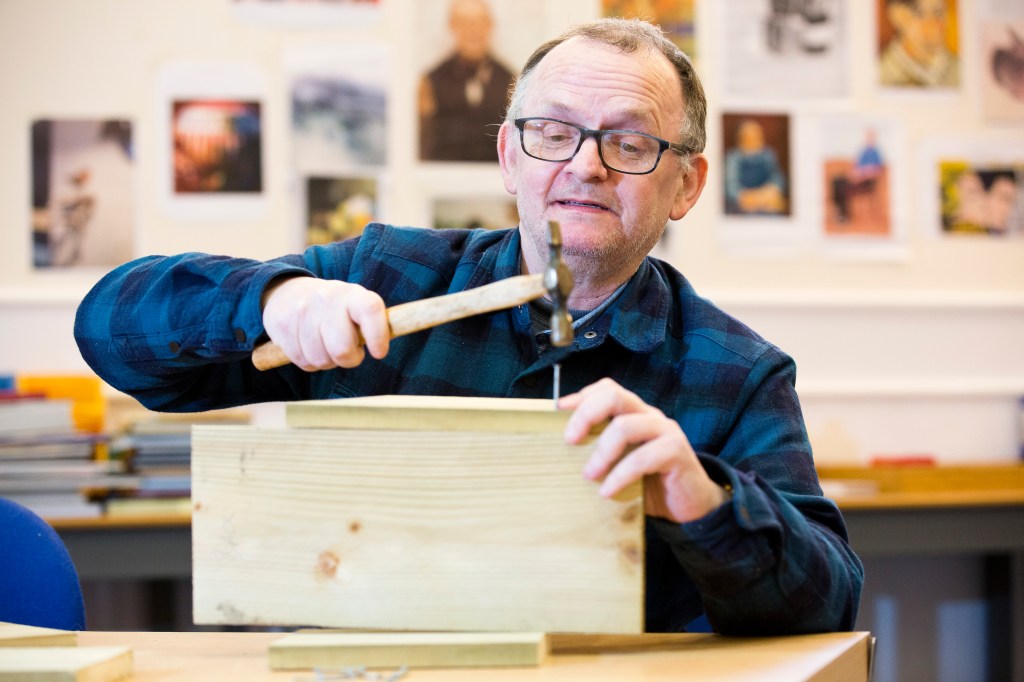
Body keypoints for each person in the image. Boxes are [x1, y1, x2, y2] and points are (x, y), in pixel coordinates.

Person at [75, 18, 863, 635]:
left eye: (628, 142)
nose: (584, 166)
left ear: (686, 184)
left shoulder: (738, 372)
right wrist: (272, 301)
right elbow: (111, 329)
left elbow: (827, 605)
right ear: (509, 157)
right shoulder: (380, 277)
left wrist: (704, 501)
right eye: (553, 133)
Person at [418, 0, 515, 162]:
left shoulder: (511, 80)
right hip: (443, 181)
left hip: (495, 181)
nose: (472, 30)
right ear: (452, 26)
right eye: (464, 23)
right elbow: (422, 145)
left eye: (479, 22)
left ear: (490, 26)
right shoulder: (430, 81)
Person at [879, 0, 959, 88]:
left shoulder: (961, 69)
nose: (936, 24)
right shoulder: (880, 73)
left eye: (939, 13)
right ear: (898, 16)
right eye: (920, 14)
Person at [723, 118, 787, 215]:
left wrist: (771, 190)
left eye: (756, 137)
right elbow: (730, 186)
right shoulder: (733, 157)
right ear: (740, 139)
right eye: (748, 138)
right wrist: (744, 197)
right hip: (743, 205)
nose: (753, 141)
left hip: (766, 202)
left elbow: (777, 178)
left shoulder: (768, 155)